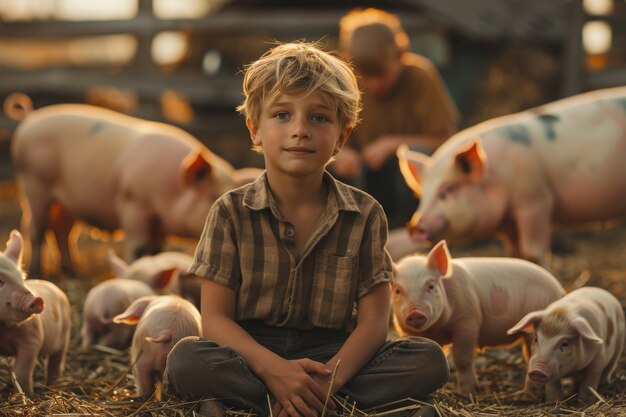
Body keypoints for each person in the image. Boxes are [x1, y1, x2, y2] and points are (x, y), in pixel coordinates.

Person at [163, 41, 448, 417]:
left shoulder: (364, 215)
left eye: (319, 118)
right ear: (255, 130)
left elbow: (375, 321)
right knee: (187, 360)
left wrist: (328, 381)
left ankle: (278, 405)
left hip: (333, 356)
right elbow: (215, 319)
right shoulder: (229, 213)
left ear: (342, 137)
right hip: (251, 354)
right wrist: (275, 371)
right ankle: (326, 409)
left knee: (428, 361)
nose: (300, 130)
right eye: (282, 115)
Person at [333, 8, 460, 228]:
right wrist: (340, 153)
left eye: (381, 75)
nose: (373, 84)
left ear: (402, 55)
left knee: (413, 155)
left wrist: (392, 144)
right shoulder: (346, 84)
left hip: (406, 187)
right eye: (365, 76)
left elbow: (446, 142)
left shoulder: (420, 77)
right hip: (364, 177)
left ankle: (409, 225)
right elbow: (332, 136)